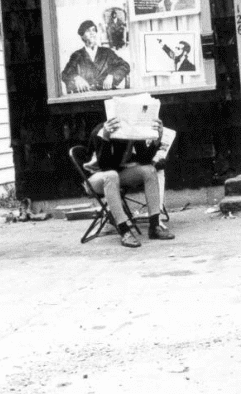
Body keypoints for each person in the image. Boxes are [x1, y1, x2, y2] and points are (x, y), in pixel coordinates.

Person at [86, 116, 174, 248]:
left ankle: (155, 226)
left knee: (149, 170)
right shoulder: (100, 131)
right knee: (111, 175)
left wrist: (158, 137)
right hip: (96, 178)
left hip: (117, 175)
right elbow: (104, 166)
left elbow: (144, 159)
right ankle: (124, 230)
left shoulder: (131, 131)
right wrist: (106, 137)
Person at [62, 20, 131, 94]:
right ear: (82, 36)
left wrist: (112, 75)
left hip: (106, 94)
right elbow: (65, 73)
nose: (92, 33)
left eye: (94, 30)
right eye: (88, 31)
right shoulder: (77, 55)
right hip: (85, 97)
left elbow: (125, 65)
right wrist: (76, 78)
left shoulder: (107, 52)